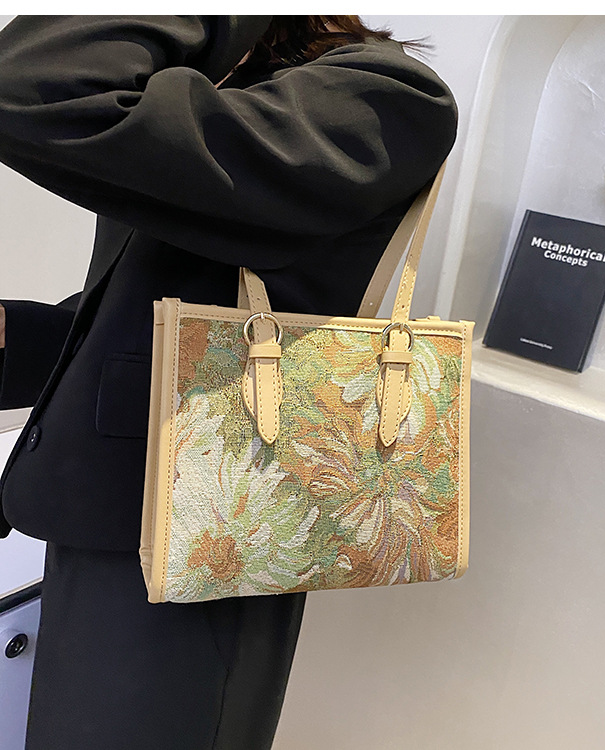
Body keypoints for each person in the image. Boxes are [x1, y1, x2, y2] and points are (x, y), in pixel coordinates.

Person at [0, 14, 458, 750]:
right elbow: (146, 324)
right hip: (113, 511)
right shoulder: (215, 83)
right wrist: (14, 335)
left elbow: (28, 86)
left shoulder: (382, 96)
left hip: (214, 528)